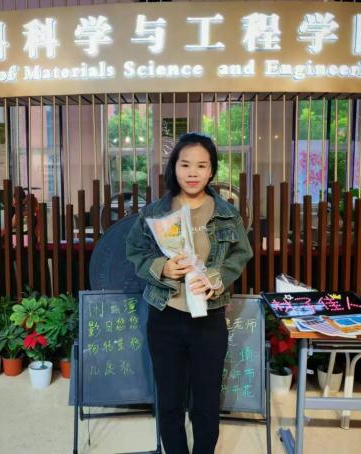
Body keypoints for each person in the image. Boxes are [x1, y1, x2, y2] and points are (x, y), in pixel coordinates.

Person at [126, 133, 253, 454]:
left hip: (209, 319)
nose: (192, 172)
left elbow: (241, 254)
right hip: (164, 316)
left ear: (211, 171)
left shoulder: (227, 213)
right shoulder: (154, 213)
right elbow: (135, 251)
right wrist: (161, 267)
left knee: (206, 402)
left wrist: (217, 278)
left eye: (201, 165)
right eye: (185, 164)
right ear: (174, 167)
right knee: (169, 401)